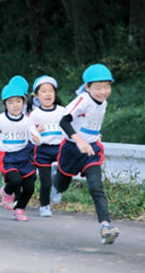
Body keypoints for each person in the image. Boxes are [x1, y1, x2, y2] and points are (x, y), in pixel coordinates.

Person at [52, 64, 119, 245]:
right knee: (61, 186)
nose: (103, 91)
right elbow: (64, 121)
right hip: (72, 149)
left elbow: (90, 121)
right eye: (98, 87)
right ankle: (55, 179)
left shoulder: (103, 102)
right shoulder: (82, 101)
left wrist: (94, 135)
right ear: (87, 87)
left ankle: (105, 226)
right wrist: (79, 140)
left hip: (91, 150)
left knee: (96, 187)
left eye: (107, 86)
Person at [0, 84, 38, 221]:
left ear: (24, 102)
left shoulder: (27, 120)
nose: (15, 105)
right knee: (16, 180)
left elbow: (34, 135)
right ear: (5, 104)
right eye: (10, 102)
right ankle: (6, 192)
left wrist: (37, 138)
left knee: (30, 185)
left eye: (18, 101)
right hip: (7, 157)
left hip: (24, 157)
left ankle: (19, 209)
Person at [27, 75, 65, 217]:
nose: (48, 94)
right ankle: (44, 206)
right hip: (42, 151)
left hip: (60, 149)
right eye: (43, 91)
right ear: (37, 96)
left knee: (63, 174)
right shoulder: (35, 114)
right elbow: (30, 131)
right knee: (45, 182)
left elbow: (72, 125)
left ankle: (58, 188)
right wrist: (36, 134)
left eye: (51, 91)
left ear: (55, 93)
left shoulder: (62, 111)